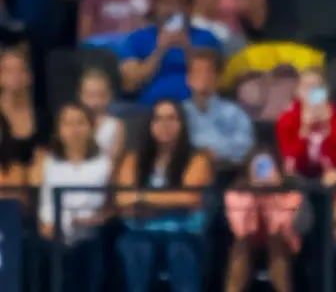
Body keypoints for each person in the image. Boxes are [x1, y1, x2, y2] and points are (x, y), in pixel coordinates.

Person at [115, 99, 213, 292]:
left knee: (179, 250)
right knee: (137, 248)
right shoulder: (133, 158)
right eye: (158, 119)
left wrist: (142, 198)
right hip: (140, 231)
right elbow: (123, 200)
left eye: (171, 118)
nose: (164, 125)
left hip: (184, 231)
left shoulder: (198, 157)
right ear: (150, 125)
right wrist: (170, 202)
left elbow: (189, 198)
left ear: (181, 124)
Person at [37, 103, 112, 292]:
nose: (74, 130)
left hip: (90, 233)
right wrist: (45, 224)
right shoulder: (47, 162)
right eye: (68, 124)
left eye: (80, 123)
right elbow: (44, 202)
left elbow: (105, 203)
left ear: (90, 128)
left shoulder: (104, 164)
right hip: (53, 234)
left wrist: (95, 218)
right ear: (59, 130)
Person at [118, 0, 223, 104]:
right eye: (167, 2)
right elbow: (130, 83)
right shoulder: (137, 39)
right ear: (156, 5)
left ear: (190, 7)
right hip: (149, 111)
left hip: (196, 110)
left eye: (180, 2)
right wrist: (160, 50)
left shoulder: (207, 38)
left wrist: (187, 48)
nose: (174, 9)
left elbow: (213, 82)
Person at [224, 147, 306, 292]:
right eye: (258, 168)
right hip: (248, 241)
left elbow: (286, 228)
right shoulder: (236, 193)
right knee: (241, 245)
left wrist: (273, 196)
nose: (263, 173)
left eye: (267, 167)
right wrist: (253, 198)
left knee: (275, 241)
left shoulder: (291, 193)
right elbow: (239, 229)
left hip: (284, 243)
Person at [275, 68, 336, 183]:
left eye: (316, 86)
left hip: (329, 173)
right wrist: (305, 129)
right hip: (297, 171)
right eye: (306, 86)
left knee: (333, 179)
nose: (311, 91)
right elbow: (290, 161)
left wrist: (326, 128)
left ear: (325, 91)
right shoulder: (287, 118)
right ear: (297, 91)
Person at [183, 49, 254, 171]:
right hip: (186, 171)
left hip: (226, 172)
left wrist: (215, 152)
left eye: (208, 72)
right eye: (198, 72)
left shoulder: (234, 112)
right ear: (188, 79)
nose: (203, 77)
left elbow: (245, 145)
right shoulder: (179, 112)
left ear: (218, 78)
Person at [0, 48, 43, 167]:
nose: (15, 76)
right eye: (8, 71)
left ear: (30, 76)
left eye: (21, 70)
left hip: (35, 181)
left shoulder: (42, 116)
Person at [77, 68, 125, 161]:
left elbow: (114, 161)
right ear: (81, 96)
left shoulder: (115, 125)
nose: (95, 102)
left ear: (109, 96)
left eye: (101, 95)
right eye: (90, 95)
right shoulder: (72, 123)